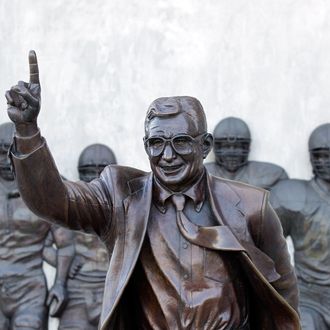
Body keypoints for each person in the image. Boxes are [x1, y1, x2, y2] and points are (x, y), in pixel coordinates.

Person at [5, 51, 299, 330]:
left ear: (205, 146)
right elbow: (54, 202)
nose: (167, 156)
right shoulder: (119, 197)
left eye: (181, 141)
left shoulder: (251, 206)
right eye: (157, 143)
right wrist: (27, 131)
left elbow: (282, 293)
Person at [0, 121, 74, 329]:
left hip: (30, 291)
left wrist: (60, 284)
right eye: (0, 152)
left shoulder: (47, 189)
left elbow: (66, 245)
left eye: (11, 152)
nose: (5, 161)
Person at [44, 143, 116, 329]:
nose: (94, 176)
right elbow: (43, 246)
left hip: (111, 291)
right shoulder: (68, 209)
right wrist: (63, 262)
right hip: (76, 292)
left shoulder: (125, 208)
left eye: (101, 170)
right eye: (88, 171)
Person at [271, 123, 330, 330]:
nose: (326, 161)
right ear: (312, 157)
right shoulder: (294, 196)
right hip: (309, 294)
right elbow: (266, 244)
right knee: (304, 325)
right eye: (321, 155)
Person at [205, 117, 288, 190]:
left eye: (237, 146)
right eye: (226, 146)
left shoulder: (272, 174)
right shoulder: (201, 173)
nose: (232, 152)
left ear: (246, 147)